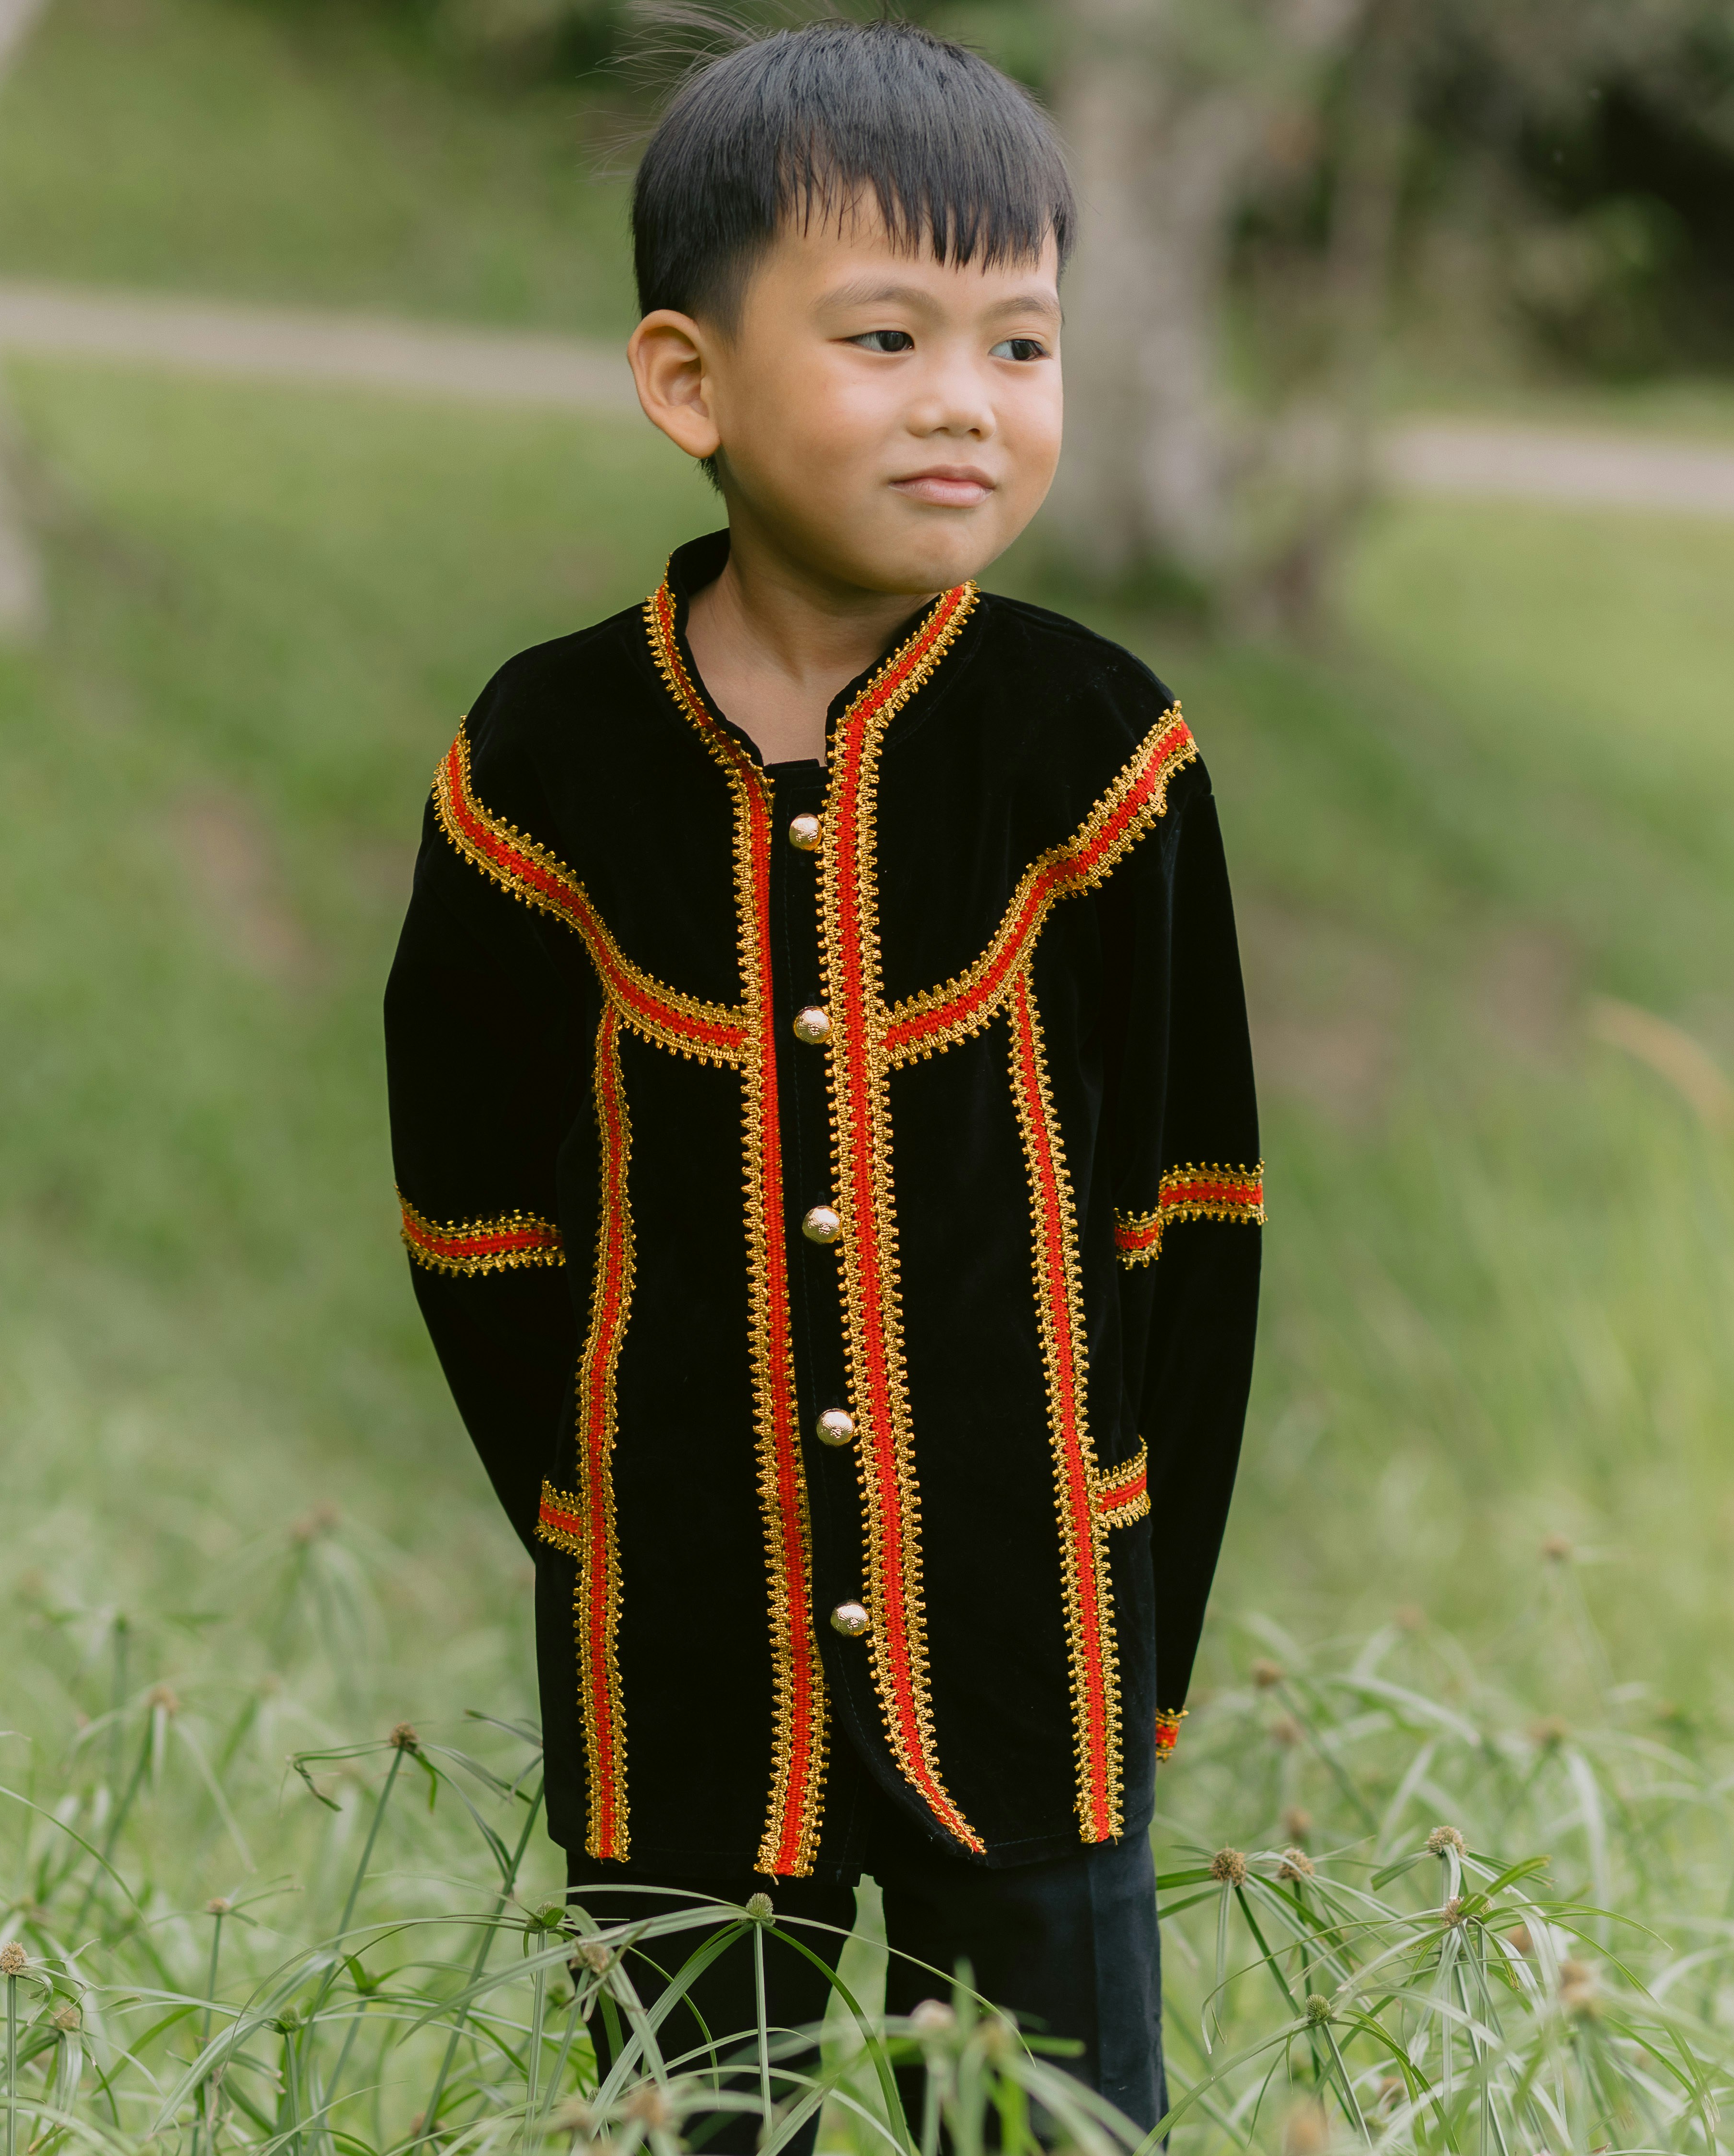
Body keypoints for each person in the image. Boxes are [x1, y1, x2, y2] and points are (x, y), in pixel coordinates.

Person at [382, 15, 1261, 2146]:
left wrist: (1140, 1629)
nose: (966, 400)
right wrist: (597, 1524)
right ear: (690, 378)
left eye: (1021, 345)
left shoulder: (1098, 750)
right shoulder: (539, 765)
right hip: (676, 1686)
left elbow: (1190, 1221)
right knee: (698, 2124)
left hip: (1032, 1668)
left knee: (1051, 2134)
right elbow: (478, 1217)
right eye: (886, 335)